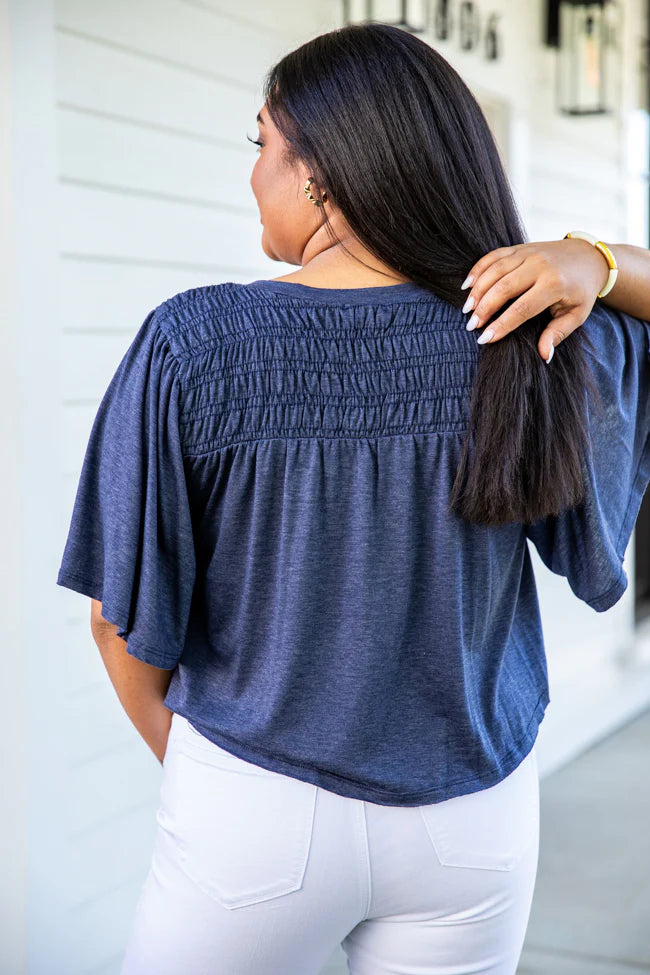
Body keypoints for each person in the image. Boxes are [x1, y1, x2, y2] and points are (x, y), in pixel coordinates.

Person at [55, 22, 650, 975]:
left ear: (321, 174)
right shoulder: (527, 333)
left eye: (262, 145)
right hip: (472, 818)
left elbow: (116, 625)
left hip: (253, 805)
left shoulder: (195, 344)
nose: (253, 174)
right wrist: (598, 262)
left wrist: (219, 787)